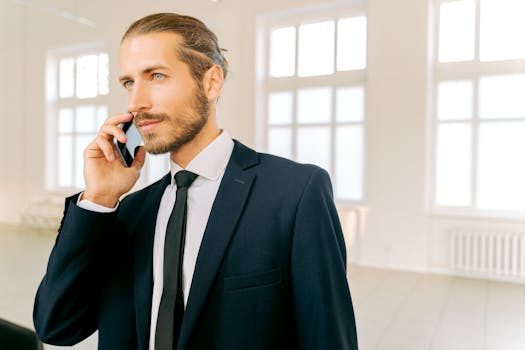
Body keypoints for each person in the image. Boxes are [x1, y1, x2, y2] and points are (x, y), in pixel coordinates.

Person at [33, 13, 358, 350]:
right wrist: (98, 200)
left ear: (211, 82)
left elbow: (328, 338)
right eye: (129, 83)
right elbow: (57, 326)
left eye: (156, 75)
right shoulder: (129, 212)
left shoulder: (295, 193)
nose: (135, 103)